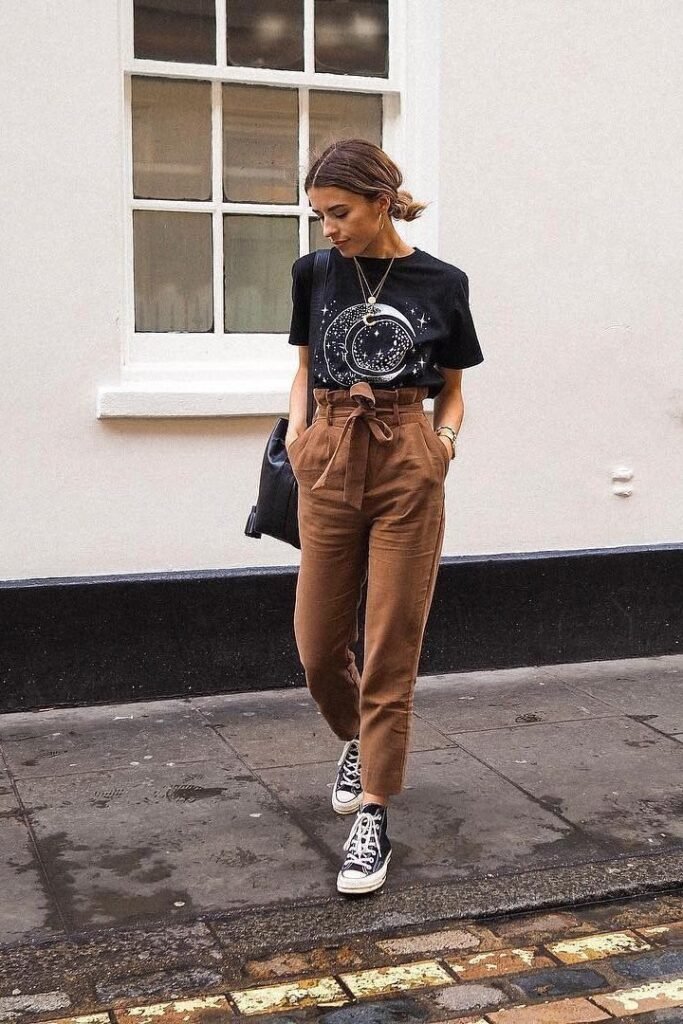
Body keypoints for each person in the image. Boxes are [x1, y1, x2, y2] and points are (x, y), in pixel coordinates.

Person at [285, 138, 484, 895]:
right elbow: (303, 368)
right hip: (330, 451)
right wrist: (300, 439)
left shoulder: (441, 281)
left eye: (338, 213)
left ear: (379, 199)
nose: (327, 229)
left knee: (392, 638)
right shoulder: (314, 272)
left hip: (407, 453)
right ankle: (356, 741)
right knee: (316, 646)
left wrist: (444, 445)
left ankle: (374, 809)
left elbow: (454, 389)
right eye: (317, 216)